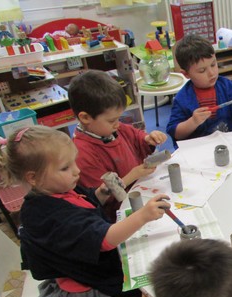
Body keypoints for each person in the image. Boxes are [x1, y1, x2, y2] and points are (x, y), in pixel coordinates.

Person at [0, 126, 172, 297]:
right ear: (34, 178)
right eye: (66, 167)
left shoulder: (57, 190)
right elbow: (105, 239)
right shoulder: (47, 215)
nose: (77, 171)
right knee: (143, 291)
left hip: (82, 263)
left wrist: (102, 192)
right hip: (87, 284)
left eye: (74, 162)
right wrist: (142, 216)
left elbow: (86, 203)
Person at [68, 69, 168, 220]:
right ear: (85, 117)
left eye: (118, 118)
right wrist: (133, 175)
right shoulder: (81, 153)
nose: (117, 124)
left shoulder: (113, 128)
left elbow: (136, 136)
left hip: (142, 191)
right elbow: (100, 196)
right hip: (120, 214)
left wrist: (148, 139)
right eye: (111, 120)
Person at [166, 34, 232, 141]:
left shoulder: (227, 86)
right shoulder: (182, 98)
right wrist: (193, 122)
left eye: (213, 64)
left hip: (231, 145)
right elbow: (176, 133)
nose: (211, 73)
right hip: (200, 150)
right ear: (186, 74)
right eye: (202, 71)